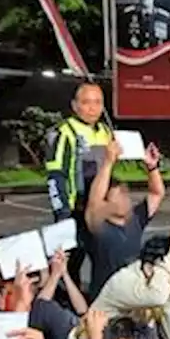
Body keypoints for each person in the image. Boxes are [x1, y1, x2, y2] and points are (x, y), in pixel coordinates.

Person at [46, 82, 114, 279]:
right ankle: (67, 302)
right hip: (76, 209)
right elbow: (55, 174)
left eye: (98, 102)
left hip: (101, 209)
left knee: (104, 260)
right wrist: (62, 212)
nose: (92, 108)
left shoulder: (105, 131)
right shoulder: (64, 132)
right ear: (75, 105)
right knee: (69, 265)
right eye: (86, 102)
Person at [83, 139, 165, 300]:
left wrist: (152, 167)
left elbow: (157, 193)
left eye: (125, 194)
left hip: (133, 294)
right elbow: (94, 202)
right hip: (106, 300)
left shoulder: (135, 219)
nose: (125, 199)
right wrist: (108, 162)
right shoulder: (100, 226)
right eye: (118, 196)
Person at [91, 227, 170, 339]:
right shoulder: (124, 280)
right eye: (167, 270)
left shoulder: (163, 288)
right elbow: (156, 296)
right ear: (149, 268)